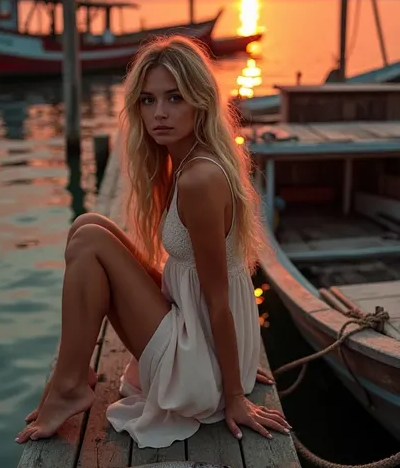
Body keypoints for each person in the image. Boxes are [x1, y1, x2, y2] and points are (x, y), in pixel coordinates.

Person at [16, 36, 291, 446]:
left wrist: (235, 395)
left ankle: (70, 381)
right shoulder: (183, 161)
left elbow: (218, 301)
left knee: (90, 240)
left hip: (201, 364)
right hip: (200, 338)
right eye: (148, 100)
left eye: (174, 98)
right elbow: (195, 280)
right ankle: (71, 377)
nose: (159, 113)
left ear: (200, 101)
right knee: (87, 224)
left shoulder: (199, 178)